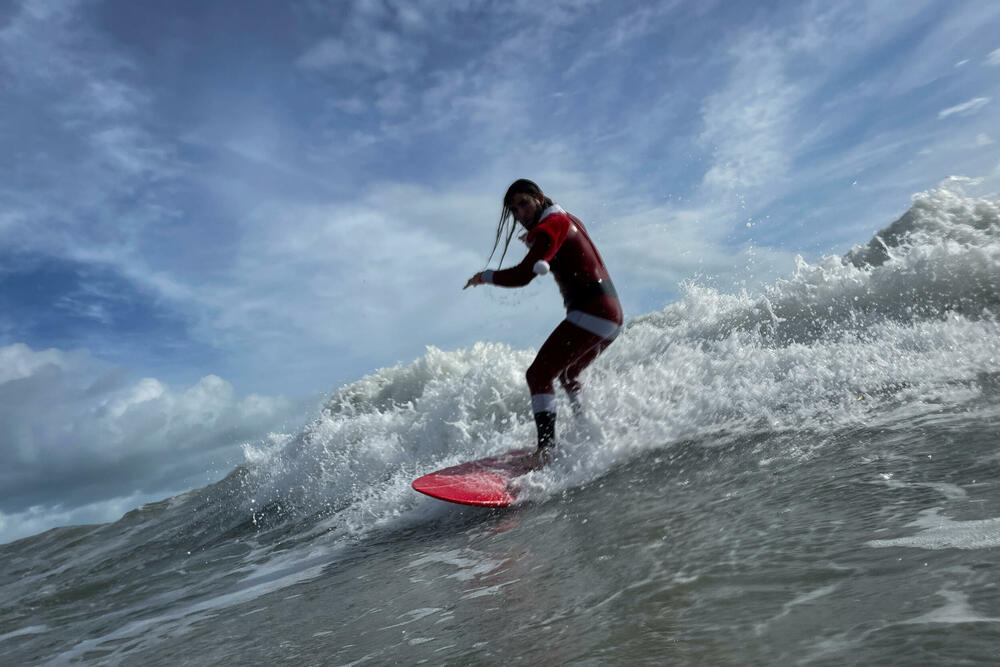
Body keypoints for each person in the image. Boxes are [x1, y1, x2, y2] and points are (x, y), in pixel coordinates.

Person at [465, 179, 623, 465]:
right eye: (514, 210)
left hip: (592, 311)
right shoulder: (566, 219)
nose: (520, 214)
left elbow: (523, 275)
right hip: (611, 315)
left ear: (538, 197)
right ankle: (589, 431)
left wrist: (485, 276)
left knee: (537, 375)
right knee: (567, 375)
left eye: (524, 204)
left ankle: (545, 452)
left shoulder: (551, 225)